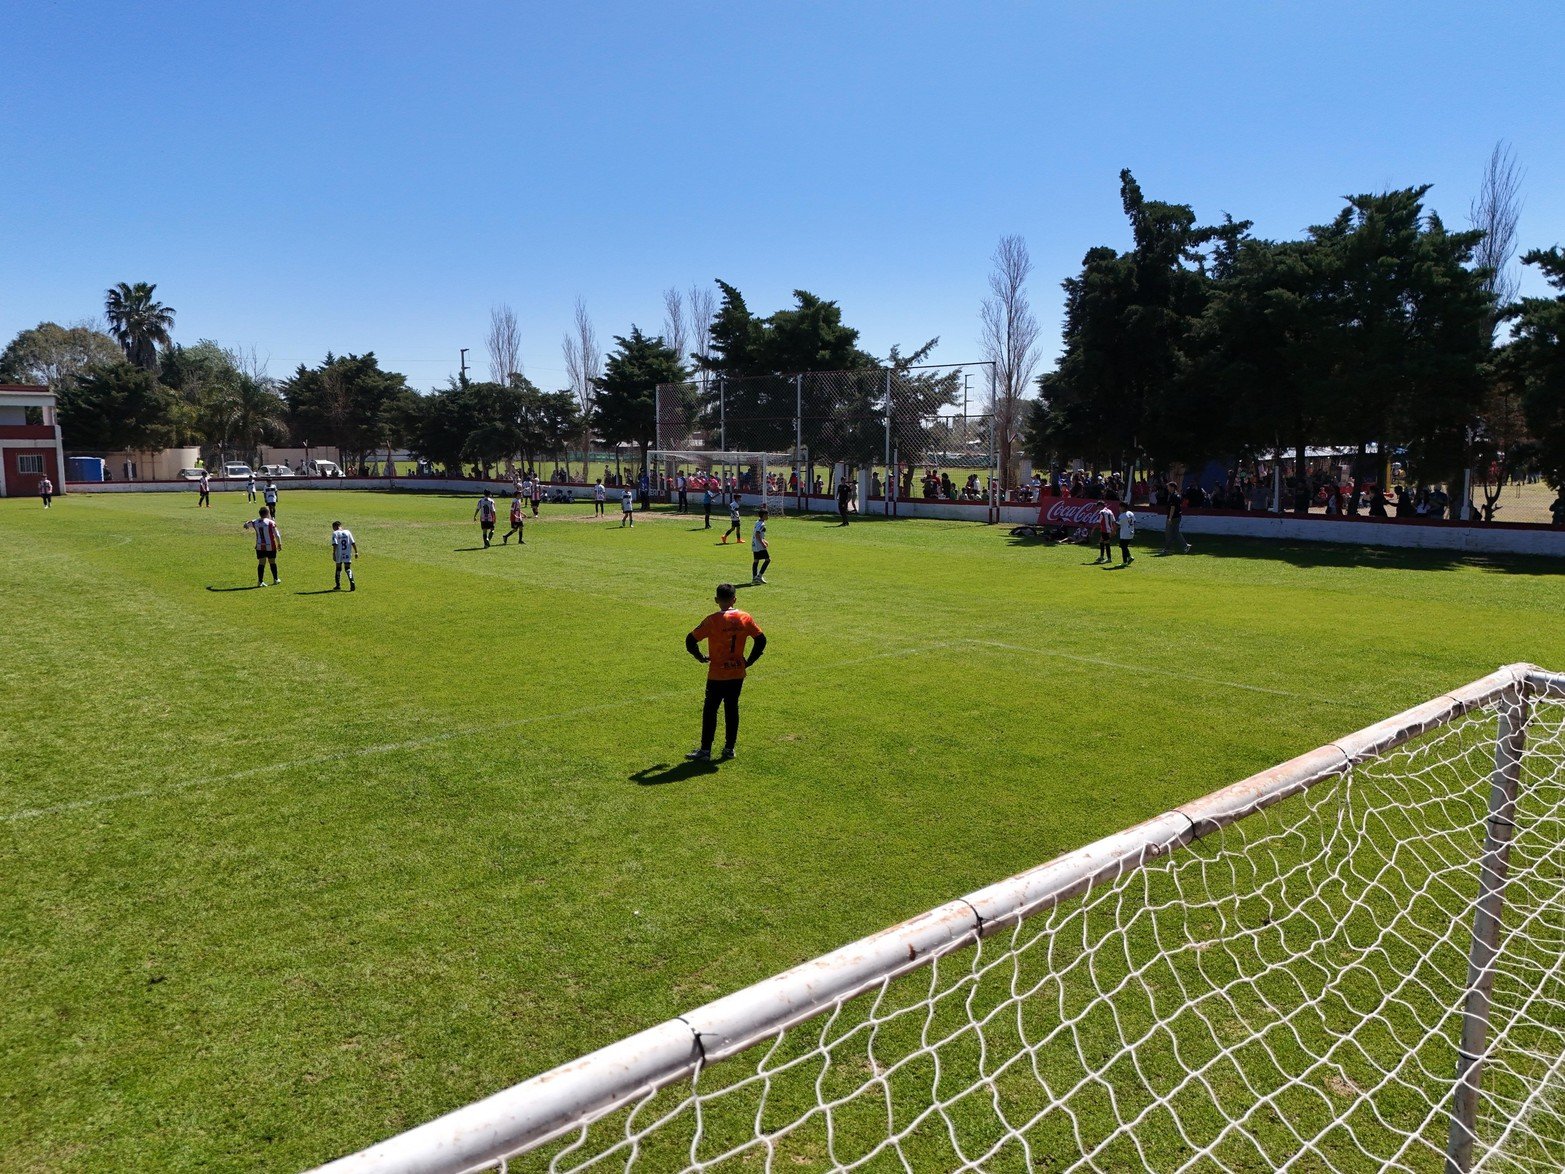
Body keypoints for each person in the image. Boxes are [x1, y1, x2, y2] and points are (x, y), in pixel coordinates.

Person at [684, 582, 767, 763]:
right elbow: (761, 640)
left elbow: (690, 641)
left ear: (716, 600)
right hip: (737, 672)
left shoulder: (712, 620)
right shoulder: (745, 617)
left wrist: (700, 657)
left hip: (717, 674)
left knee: (710, 710)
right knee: (732, 708)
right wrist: (749, 661)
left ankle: (705, 750)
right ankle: (729, 748)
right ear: (734, 599)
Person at [244, 506, 282, 586]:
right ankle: (276, 579)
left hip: (259, 546)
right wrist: (279, 544)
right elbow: (277, 535)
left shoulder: (255, 522)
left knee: (261, 563)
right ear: (268, 513)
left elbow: (246, 524)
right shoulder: (271, 522)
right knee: (272, 562)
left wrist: (246, 525)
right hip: (270, 546)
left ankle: (260, 581)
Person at [330, 520, 358, 591]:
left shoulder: (335, 533)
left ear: (335, 526)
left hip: (339, 553)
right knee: (348, 568)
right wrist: (356, 552)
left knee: (338, 568)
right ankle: (352, 584)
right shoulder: (348, 532)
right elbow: (353, 542)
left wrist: (334, 554)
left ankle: (338, 585)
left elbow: (335, 544)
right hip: (347, 553)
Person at [1163, 482, 1191, 554]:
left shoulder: (1173, 496)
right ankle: (1185, 545)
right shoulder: (1177, 495)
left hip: (1173, 517)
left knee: (1168, 533)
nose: (1167, 488)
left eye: (1168, 487)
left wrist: (1170, 518)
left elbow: (1173, 507)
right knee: (1176, 532)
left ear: (1172, 487)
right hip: (1178, 516)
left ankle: (1167, 549)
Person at [751, 505, 771, 584]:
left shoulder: (757, 522)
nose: (768, 516)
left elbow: (757, 534)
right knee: (767, 559)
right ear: (764, 515)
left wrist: (764, 540)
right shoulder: (762, 524)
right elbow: (757, 534)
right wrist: (762, 543)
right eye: (767, 515)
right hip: (759, 545)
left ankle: (754, 578)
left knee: (756, 560)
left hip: (754, 544)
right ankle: (759, 576)